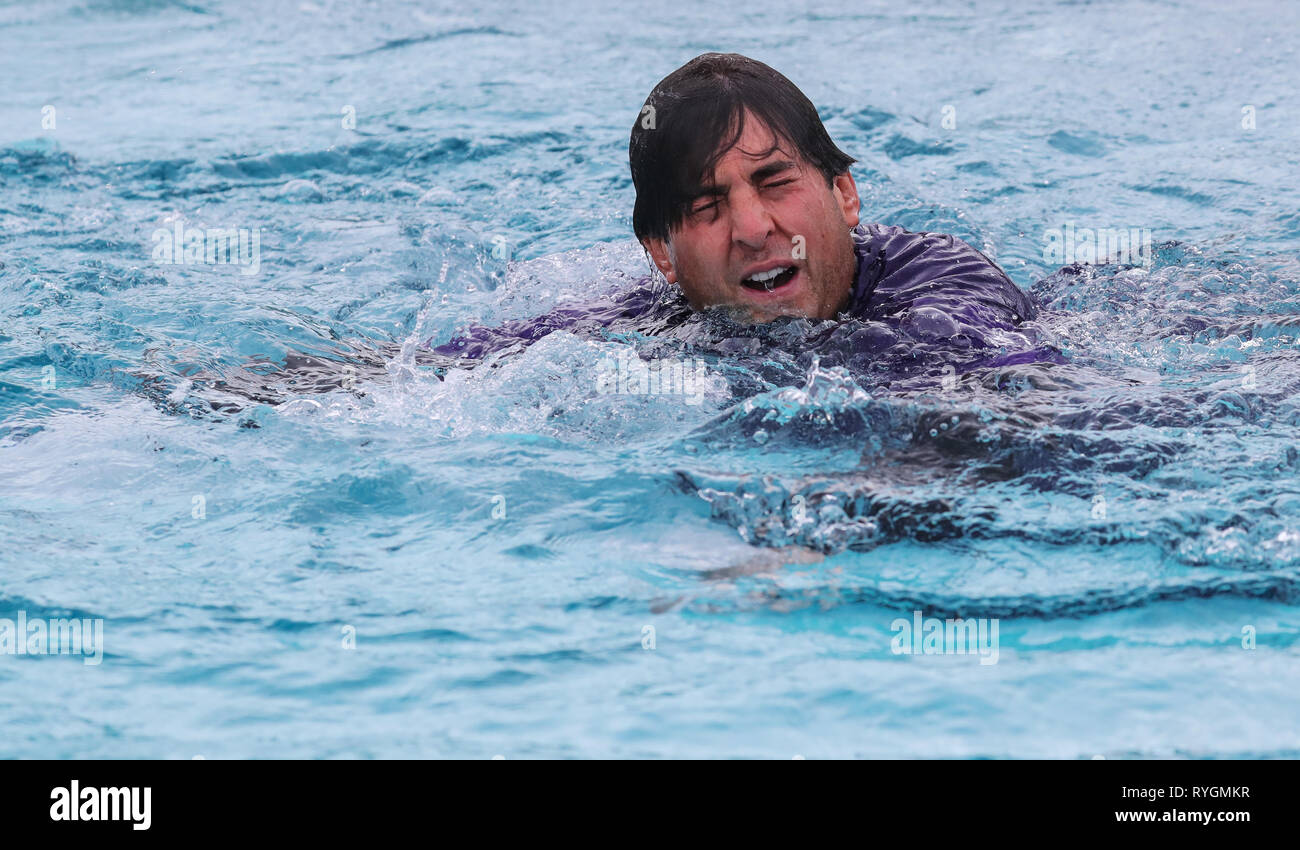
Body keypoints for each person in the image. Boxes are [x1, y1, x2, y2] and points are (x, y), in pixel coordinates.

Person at [427, 52, 1047, 368]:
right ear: (663, 254)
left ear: (844, 194)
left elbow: (1004, 426)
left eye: (775, 181)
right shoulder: (637, 326)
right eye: (706, 206)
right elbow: (424, 379)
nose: (753, 230)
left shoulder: (944, 293)